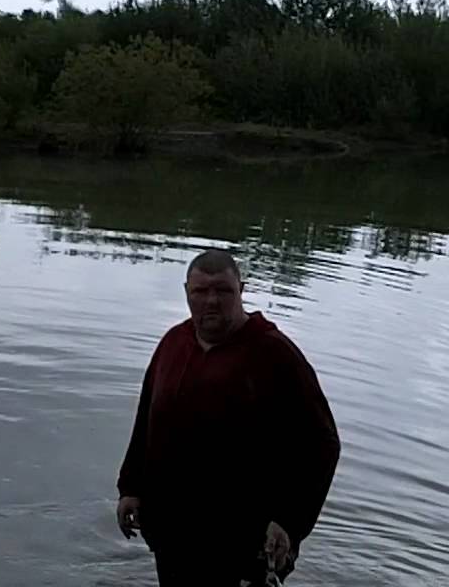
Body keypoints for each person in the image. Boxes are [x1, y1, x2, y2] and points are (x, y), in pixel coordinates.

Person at [115, 249, 340, 585]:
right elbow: (147, 417)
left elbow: (322, 445)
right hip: (174, 532)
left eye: (223, 290)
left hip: (246, 541)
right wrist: (130, 487)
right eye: (201, 291)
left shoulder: (275, 354)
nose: (212, 301)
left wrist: (289, 521)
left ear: (241, 290)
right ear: (186, 293)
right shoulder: (173, 344)